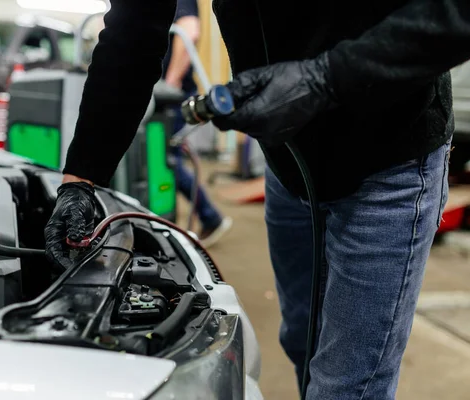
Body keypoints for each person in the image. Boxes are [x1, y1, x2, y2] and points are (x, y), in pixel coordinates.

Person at [44, 1, 470, 398]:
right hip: (288, 161)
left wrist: (325, 79)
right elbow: (133, 29)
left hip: (388, 155)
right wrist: (82, 178)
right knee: (302, 340)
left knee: (345, 385)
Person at [163, 0, 232, 247]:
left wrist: (169, 84)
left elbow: (189, 31)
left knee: (166, 161)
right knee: (163, 161)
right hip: (157, 98)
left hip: (167, 99)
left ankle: (210, 216)